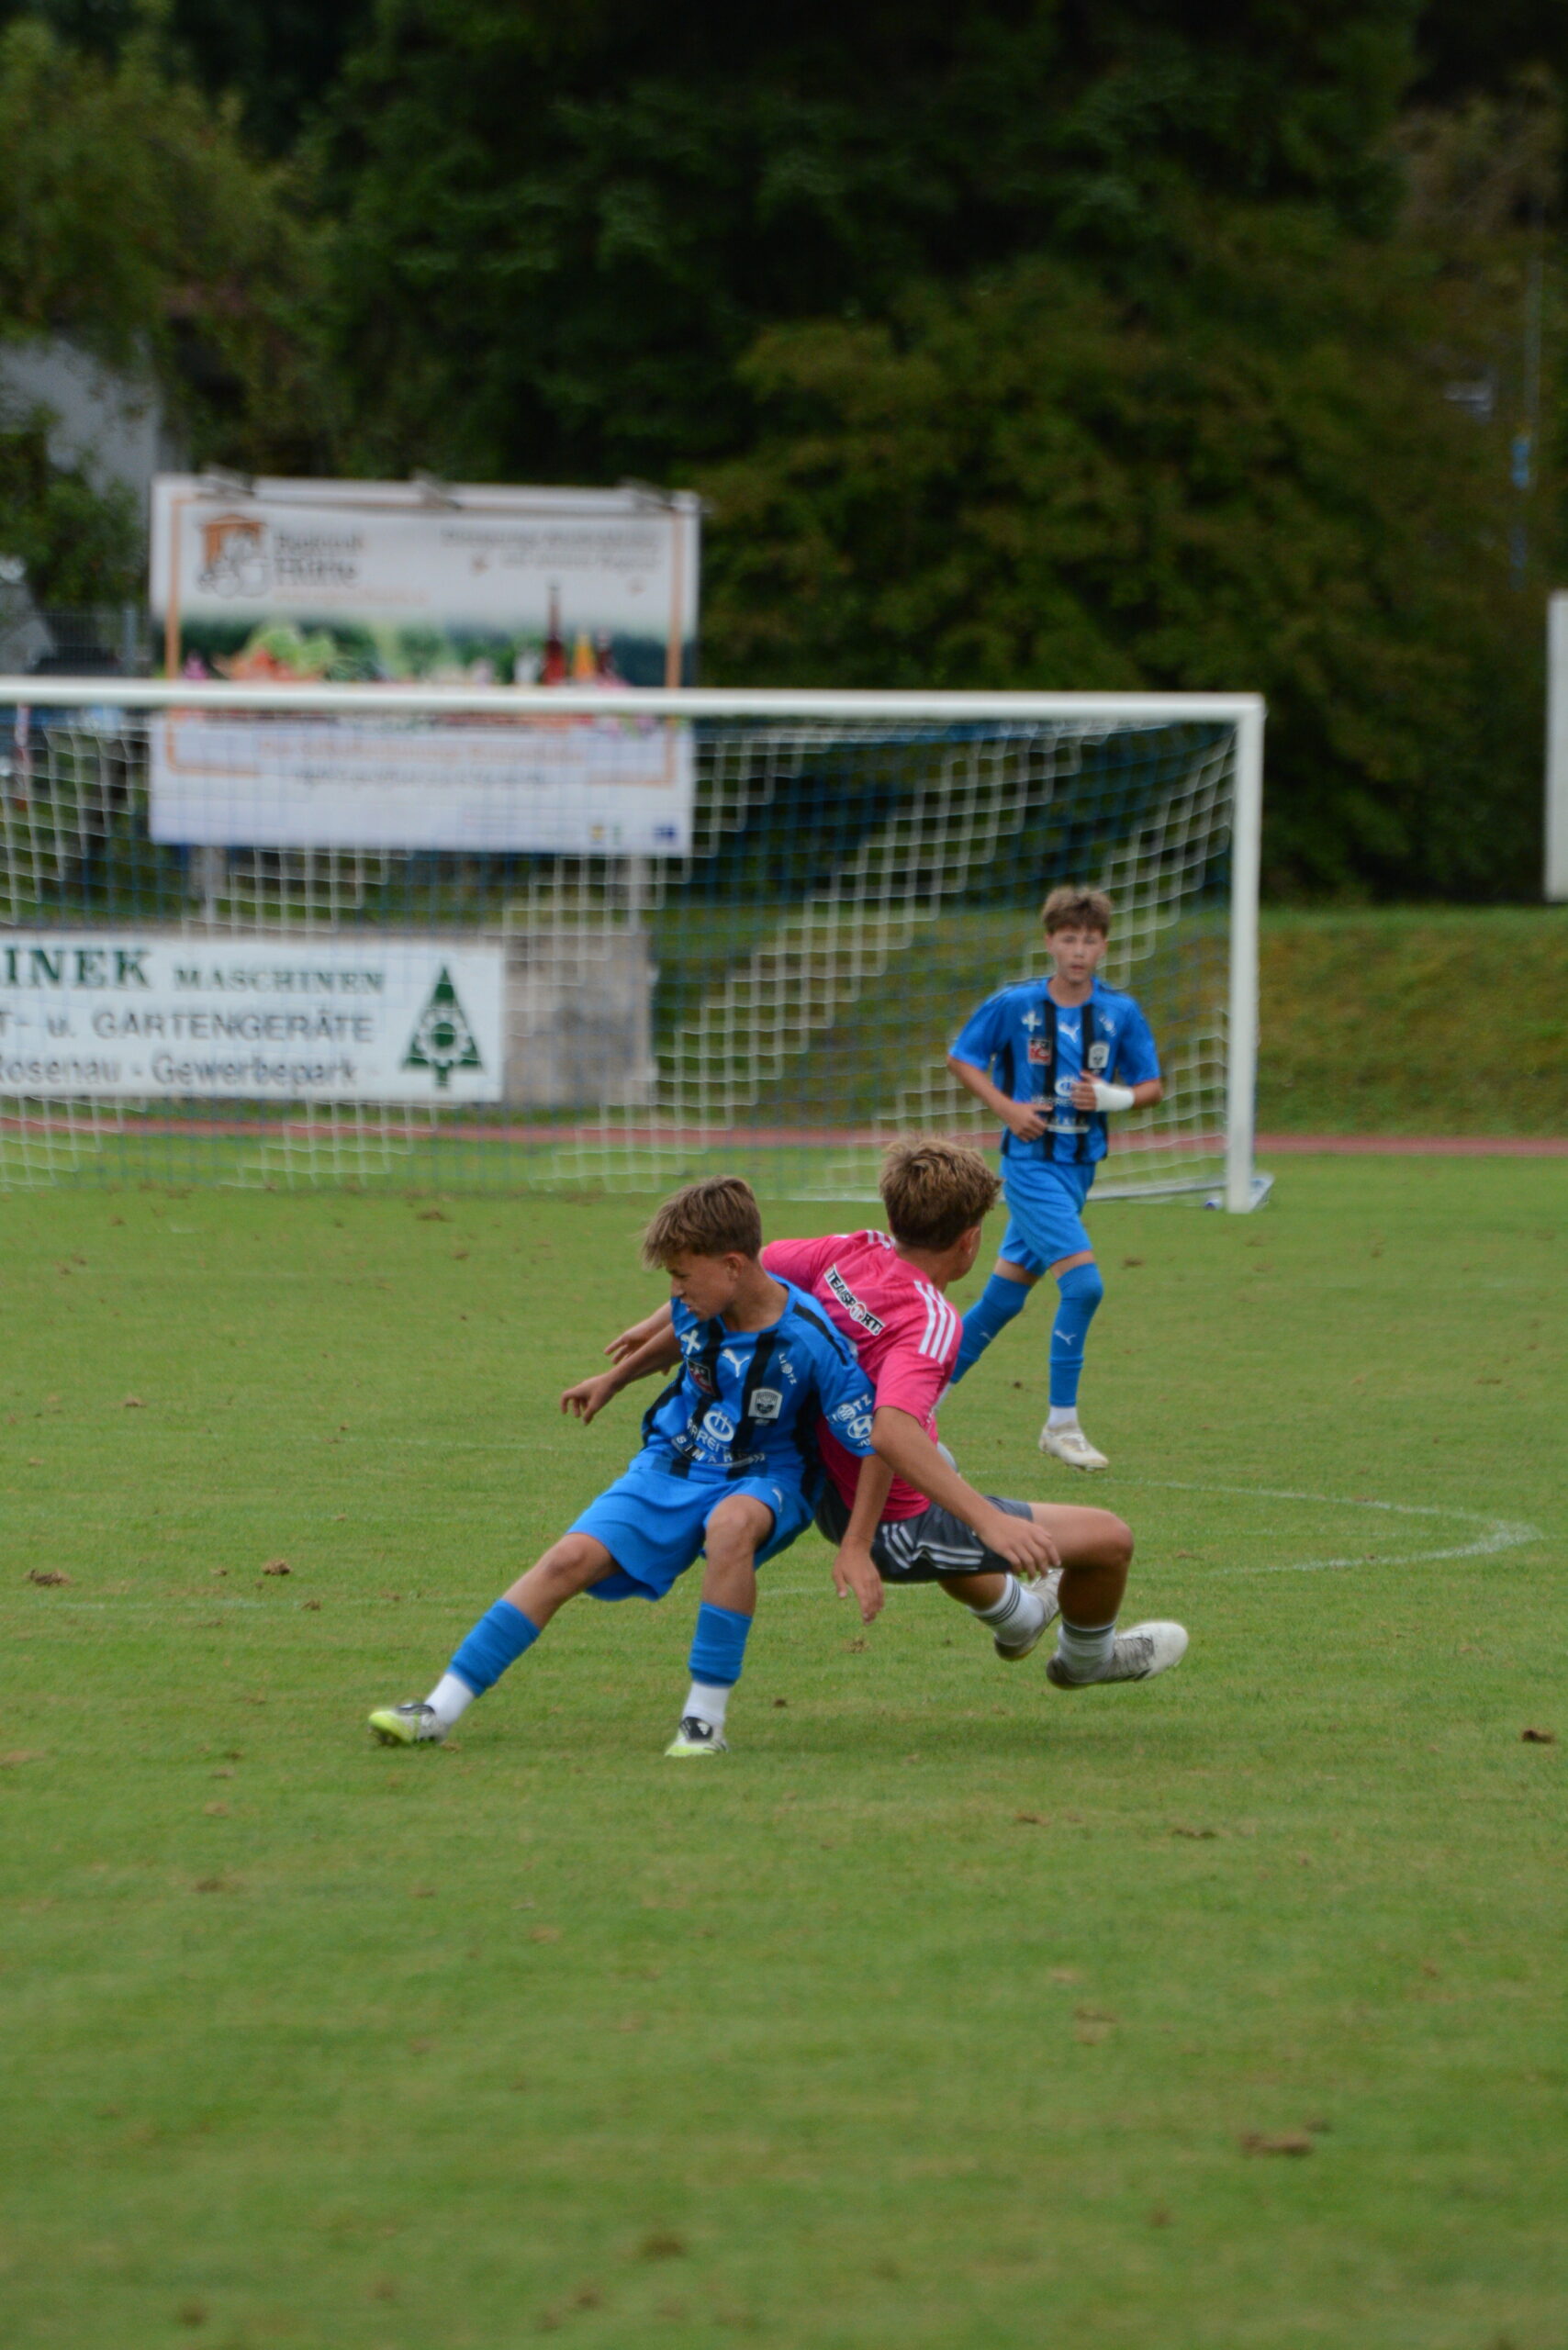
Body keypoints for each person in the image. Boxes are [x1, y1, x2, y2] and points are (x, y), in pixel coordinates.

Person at [610, 1138, 1187, 1693]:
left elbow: (753, 1272)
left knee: (941, 1461)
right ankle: (1087, 1661)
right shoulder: (931, 1321)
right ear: (970, 1241)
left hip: (827, 1477)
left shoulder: (854, 1251)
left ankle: (1019, 1620)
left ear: (893, 1218)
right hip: (893, 1526)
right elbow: (890, 1432)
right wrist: (988, 1522)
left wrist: (657, 1319)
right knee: (1109, 1539)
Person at [366, 1176, 878, 1759]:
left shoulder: (811, 1341)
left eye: (682, 1276)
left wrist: (856, 1542)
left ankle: (703, 1724)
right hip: (675, 1459)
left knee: (731, 1527)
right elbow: (680, 1335)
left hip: (768, 1474)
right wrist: (613, 1380)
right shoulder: (700, 1303)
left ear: (733, 1266)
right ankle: (438, 1710)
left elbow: (875, 1443)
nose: (675, 1291)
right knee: (566, 1560)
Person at [945, 885, 1162, 1472]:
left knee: (1000, 1301)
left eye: (1089, 940)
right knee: (1084, 1286)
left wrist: (1113, 1097)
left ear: (1104, 946)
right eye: (1069, 939)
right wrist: (1007, 1108)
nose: (1079, 950)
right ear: (1049, 942)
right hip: (1029, 1166)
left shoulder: (1119, 1013)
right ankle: (1061, 1424)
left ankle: (916, 1402)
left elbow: (1151, 1086)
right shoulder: (1015, 1004)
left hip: (1078, 1171)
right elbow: (963, 1057)